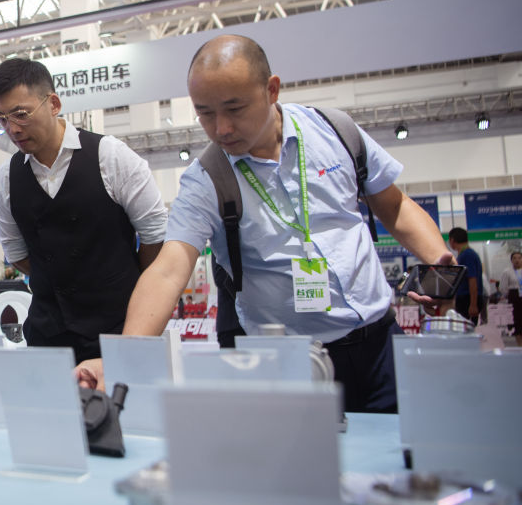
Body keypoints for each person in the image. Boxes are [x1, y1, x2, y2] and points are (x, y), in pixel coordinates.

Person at [76, 34, 452, 413]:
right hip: (286, 366)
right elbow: (168, 270)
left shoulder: (335, 130)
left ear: (271, 90)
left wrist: (439, 264)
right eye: (205, 113)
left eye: (234, 108)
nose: (221, 128)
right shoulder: (206, 178)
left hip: (380, 346)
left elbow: (395, 206)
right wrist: (122, 358)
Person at [0, 58, 167, 364]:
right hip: (48, 336)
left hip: (121, 331)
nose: (12, 129)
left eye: (21, 114)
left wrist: (118, 281)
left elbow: (156, 237)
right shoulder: (6, 178)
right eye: (2, 119)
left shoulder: (110, 156)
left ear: (53, 104)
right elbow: (16, 253)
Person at [447, 227, 487, 326]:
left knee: (466, 329)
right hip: (466, 298)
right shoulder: (466, 254)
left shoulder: (467, 255)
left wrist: (473, 304)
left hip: (467, 299)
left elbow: (472, 279)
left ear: (452, 240)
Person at [500, 250, 522, 346]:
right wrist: (509, 295)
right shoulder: (507, 272)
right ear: (511, 260)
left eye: (519, 258)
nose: (517, 260)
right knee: (517, 320)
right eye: (514, 258)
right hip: (514, 296)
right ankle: (519, 343)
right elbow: (503, 287)